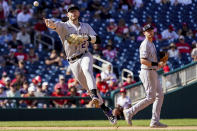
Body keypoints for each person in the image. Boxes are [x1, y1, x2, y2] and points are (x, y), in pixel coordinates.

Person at [44, 5, 116, 124]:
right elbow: (53, 24)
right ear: (67, 14)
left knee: (87, 70)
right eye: (71, 11)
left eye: (75, 11)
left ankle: (93, 95)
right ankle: (106, 109)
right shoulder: (63, 25)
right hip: (72, 61)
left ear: (78, 13)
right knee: (88, 87)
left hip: (85, 55)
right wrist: (49, 23)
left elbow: (98, 40)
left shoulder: (86, 26)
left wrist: (85, 38)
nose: (73, 13)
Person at [123, 24, 167, 128]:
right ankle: (130, 112)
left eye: (151, 30)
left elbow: (152, 60)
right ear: (144, 33)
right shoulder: (145, 44)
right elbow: (142, 60)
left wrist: (160, 63)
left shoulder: (152, 44)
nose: (150, 32)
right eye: (147, 31)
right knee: (150, 97)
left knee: (159, 96)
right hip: (147, 71)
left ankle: (154, 121)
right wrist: (157, 64)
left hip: (153, 71)